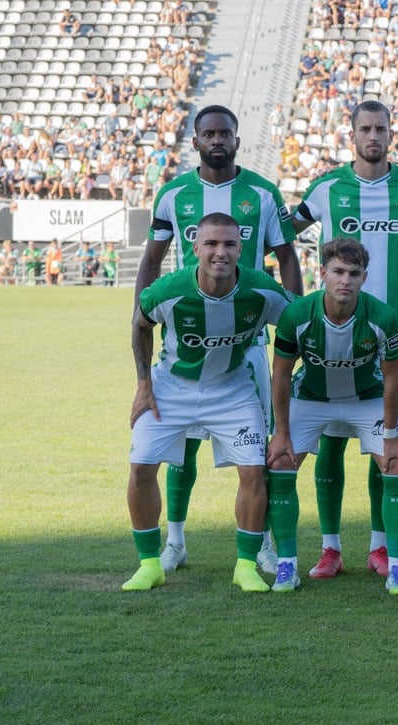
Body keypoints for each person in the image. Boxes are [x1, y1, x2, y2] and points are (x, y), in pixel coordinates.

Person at [136, 104, 303, 576]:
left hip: (247, 339)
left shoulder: (263, 194)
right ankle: (175, 540)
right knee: (180, 448)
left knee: (258, 450)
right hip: (189, 335)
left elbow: (287, 257)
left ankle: (262, 542)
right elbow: (152, 260)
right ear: (195, 141)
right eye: (207, 133)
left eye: (224, 133)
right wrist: (139, 310)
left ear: (236, 139)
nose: (216, 140)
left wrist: (292, 312)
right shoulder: (172, 195)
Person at [293, 100, 398, 580]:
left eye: (381, 128)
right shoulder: (327, 188)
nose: (373, 135)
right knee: (330, 444)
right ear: (351, 133)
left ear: (392, 133)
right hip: (332, 332)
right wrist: (291, 299)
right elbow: (278, 233)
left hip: (391, 335)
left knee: (389, 443)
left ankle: (380, 546)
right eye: (365, 128)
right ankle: (331, 547)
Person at [122, 212, 293, 593]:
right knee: (140, 467)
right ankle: (150, 564)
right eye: (212, 244)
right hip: (171, 389)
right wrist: (143, 384)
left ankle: (246, 565)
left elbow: (297, 323)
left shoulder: (262, 291)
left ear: (241, 249)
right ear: (195, 248)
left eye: (229, 244)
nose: (220, 252)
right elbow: (140, 325)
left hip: (233, 390)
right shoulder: (168, 290)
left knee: (252, 471)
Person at [266, 238, 398, 594]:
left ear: (364, 278)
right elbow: (282, 375)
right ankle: (290, 564)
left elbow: (393, 378)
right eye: (338, 272)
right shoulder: (297, 315)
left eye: (354, 273)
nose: (345, 280)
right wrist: (281, 432)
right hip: (313, 398)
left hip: (368, 399)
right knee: (280, 462)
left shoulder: (385, 317)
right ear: (322, 274)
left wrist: (392, 433)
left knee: (395, 464)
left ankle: (396, 566)